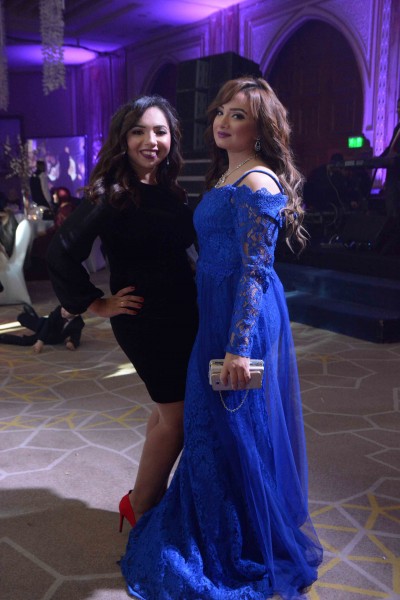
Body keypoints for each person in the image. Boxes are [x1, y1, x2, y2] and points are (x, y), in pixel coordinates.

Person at [119, 77, 323, 599]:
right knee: (211, 427)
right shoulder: (228, 171)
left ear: (262, 127)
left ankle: (235, 544)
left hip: (240, 319)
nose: (223, 122)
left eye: (238, 115)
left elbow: (255, 271)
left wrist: (238, 347)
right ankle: (212, 528)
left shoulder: (258, 182)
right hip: (214, 312)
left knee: (230, 428)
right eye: (220, 112)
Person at [46, 95, 199, 524]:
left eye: (160, 131)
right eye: (138, 131)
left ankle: (146, 498)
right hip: (145, 319)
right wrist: (95, 303)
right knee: (178, 419)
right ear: (123, 138)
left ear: (172, 138)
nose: (151, 141)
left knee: (167, 410)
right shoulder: (112, 193)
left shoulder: (169, 189)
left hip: (183, 314)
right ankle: (141, 507)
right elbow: (60, 252)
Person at [0, 303, 84, 352]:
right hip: (44, 325)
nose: (63, 311)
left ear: (76, 314)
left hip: (52, 338)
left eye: (67, 310)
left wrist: (72, 343)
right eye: (63, 308)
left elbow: (76, 336)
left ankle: (3, 337)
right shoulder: (59, 310)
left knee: (25, 341)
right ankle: (25, 316)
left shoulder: (78, 323)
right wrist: (40, 341)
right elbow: (48, 323)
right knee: (23, 318)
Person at [380, 97, 400, 217]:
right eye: (397, 107)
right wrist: (379, 160)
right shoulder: (397, 128)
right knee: (391, 207)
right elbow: (391, 148)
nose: (398, 110)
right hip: (393, 172)